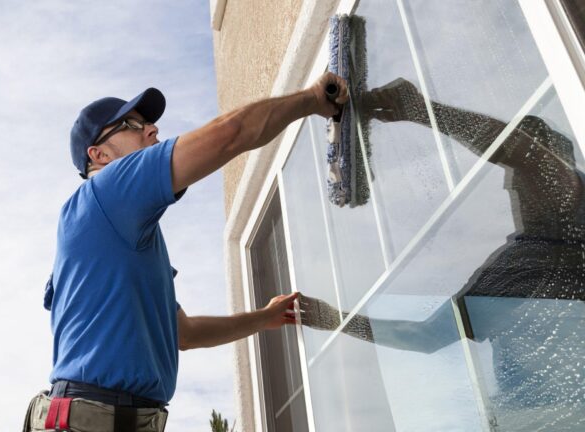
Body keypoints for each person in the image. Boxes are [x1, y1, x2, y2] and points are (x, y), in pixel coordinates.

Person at [39, 72, 348, 431]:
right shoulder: (107, 192)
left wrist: (262, 318)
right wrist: (312, 99)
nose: (151, 130)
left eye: (149, 123)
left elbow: (184, 333)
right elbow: (229, 135)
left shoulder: (126, 240)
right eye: (131, 124)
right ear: (99, 154)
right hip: (92, 419)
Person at [315, 78, 585, 431]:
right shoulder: (521, 264)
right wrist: (333, 320)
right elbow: (426, 337)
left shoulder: (527, 261)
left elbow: (527, 153)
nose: (512, 190)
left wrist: (424, 111)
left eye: (519, 179)